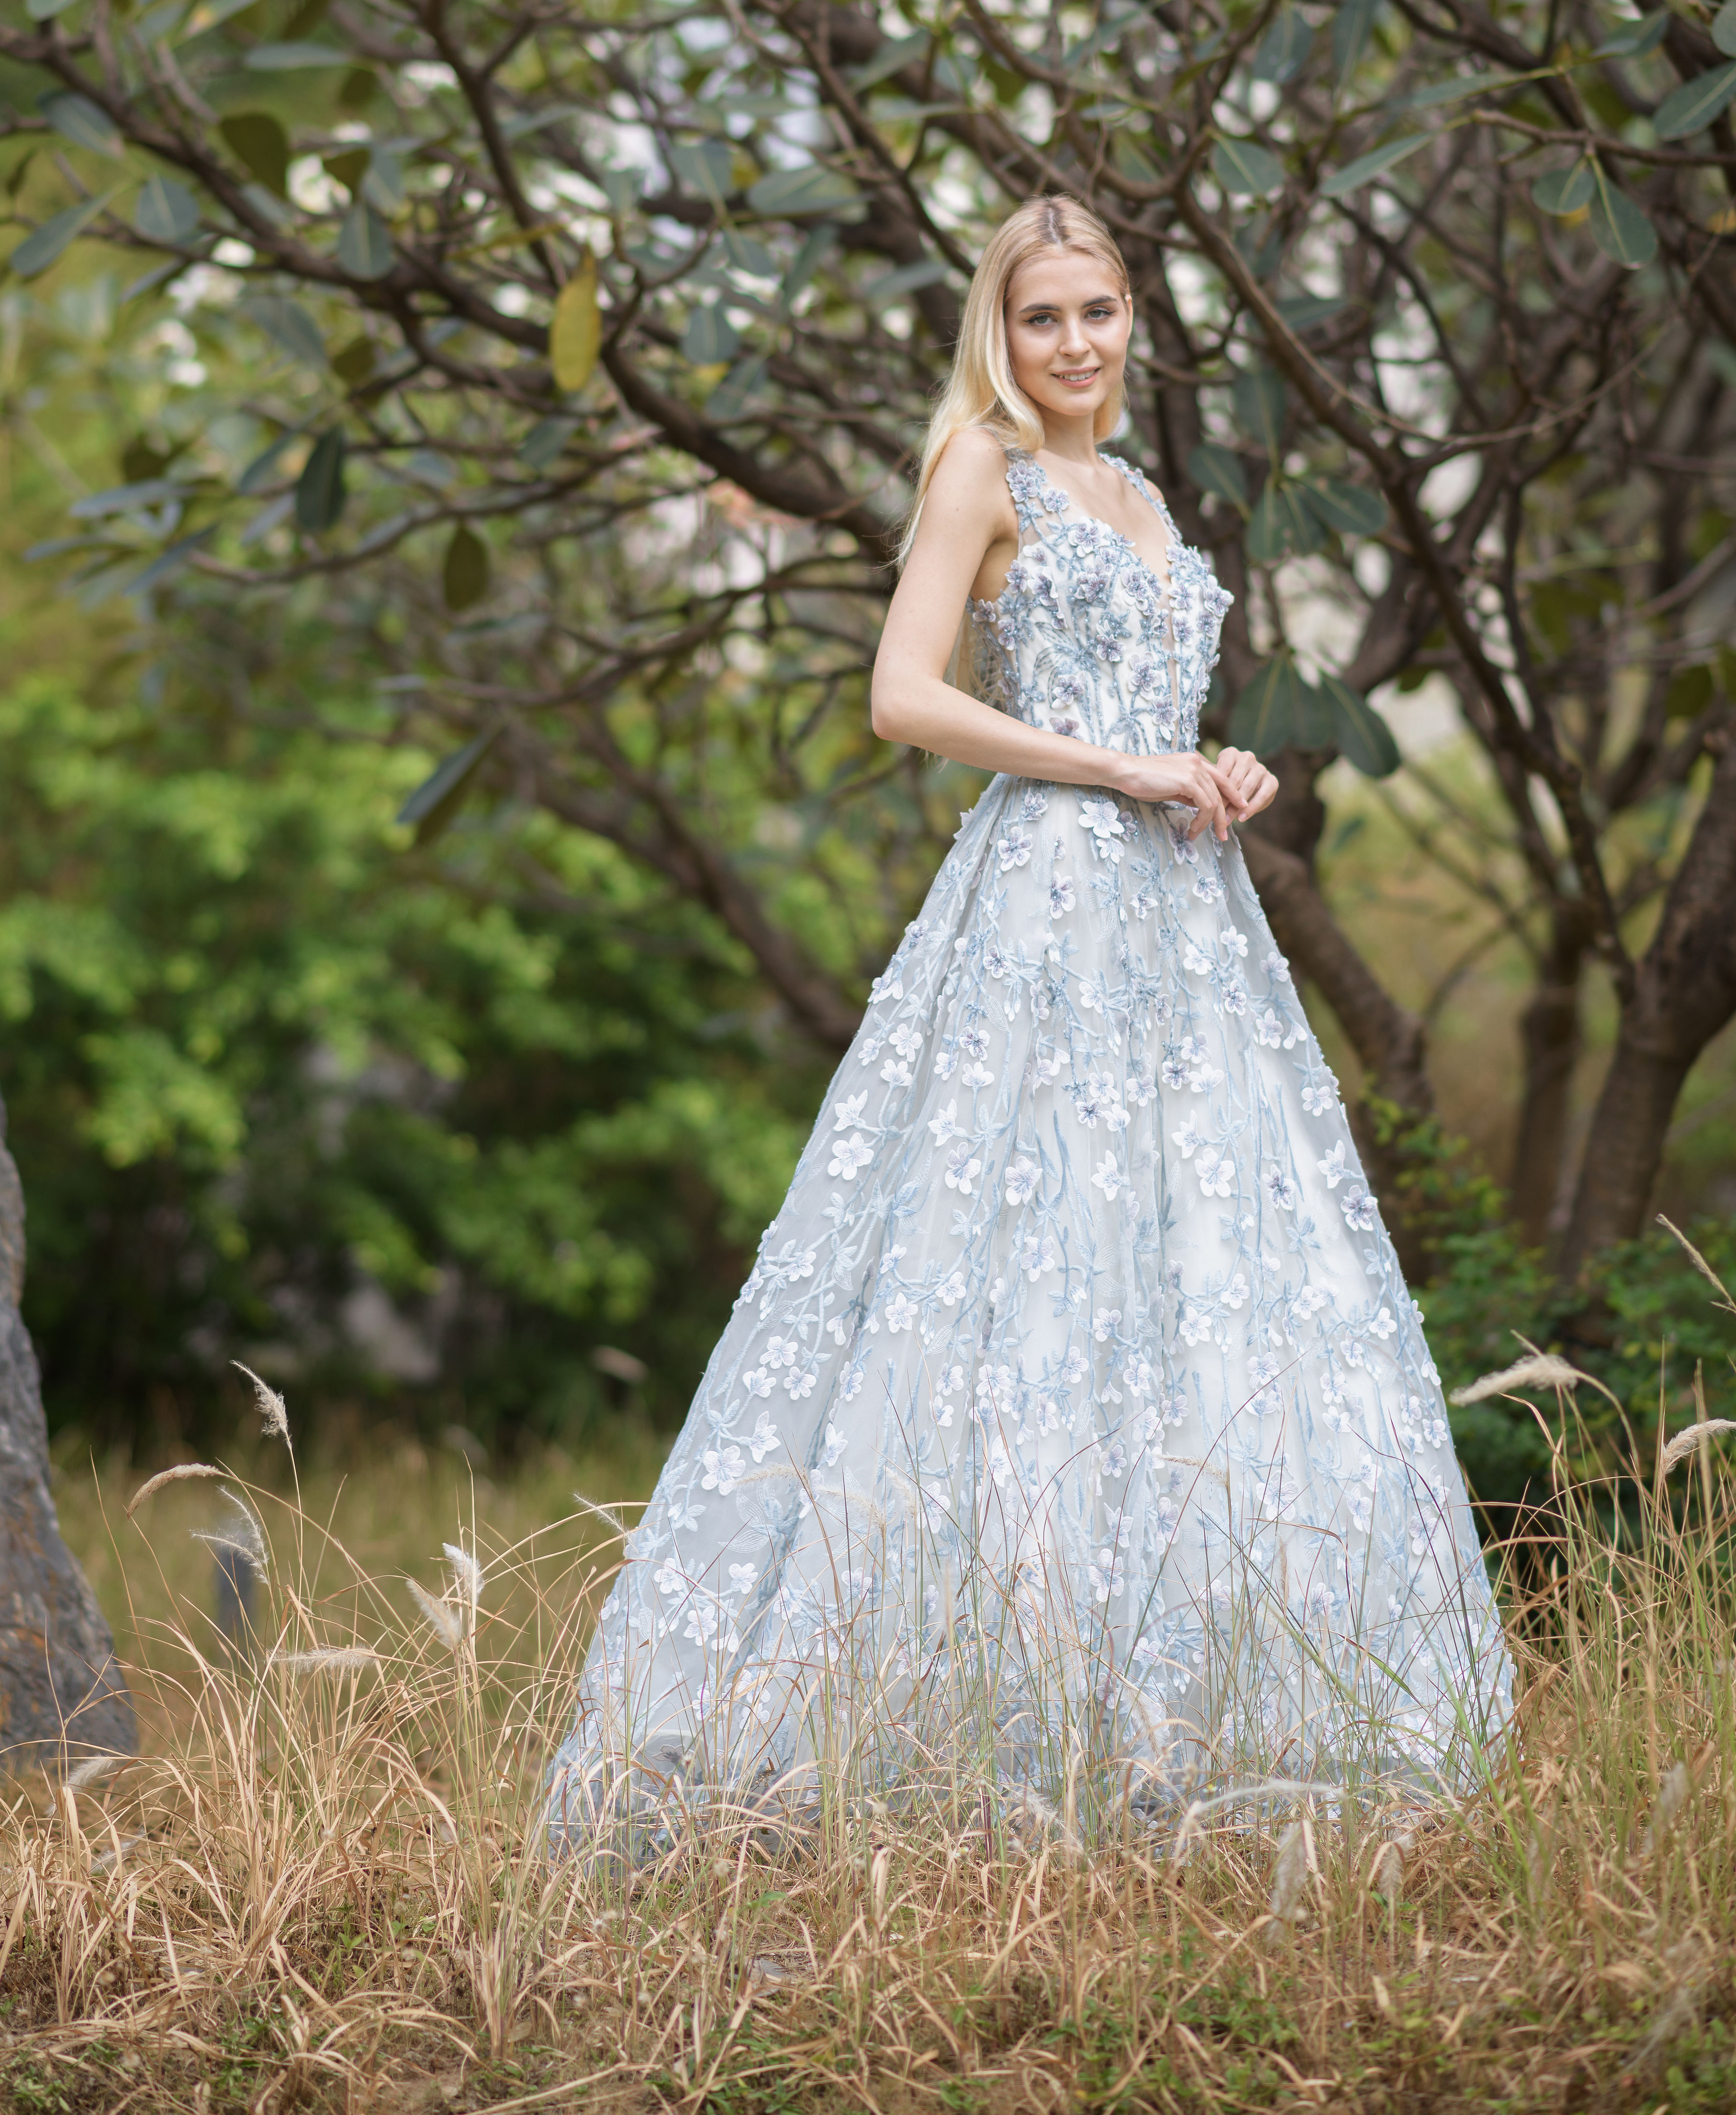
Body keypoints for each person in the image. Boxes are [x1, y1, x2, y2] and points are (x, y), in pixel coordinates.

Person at [546, 196, 1511, 1853]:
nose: (1077, 342)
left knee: (1194, 1268)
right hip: (1049, 899)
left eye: (1102, 310)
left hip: (1184, 919)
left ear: (1137, 316)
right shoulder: (979, 471)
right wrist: (1119, 764)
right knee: (1012, 1257)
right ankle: (954, 1710)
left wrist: (1218, 762)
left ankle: (1176, 1708)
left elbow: (1159, 709)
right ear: (1002, 329)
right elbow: (904, 693)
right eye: (1046, 315)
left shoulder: (1137, 492)